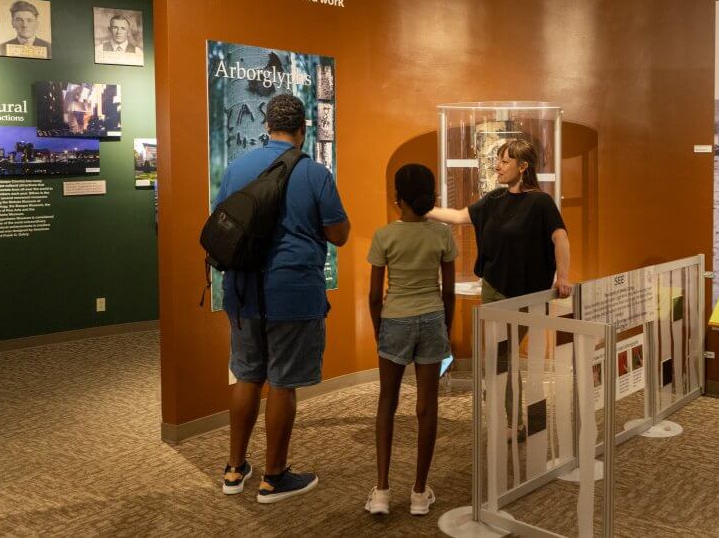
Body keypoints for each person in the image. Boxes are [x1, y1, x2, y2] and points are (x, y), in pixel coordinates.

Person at [212, 93, 350, 505]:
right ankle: (274, 477)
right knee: (284, 384)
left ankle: (235, 468)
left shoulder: (238, 167)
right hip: (293, 294)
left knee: (247, 374)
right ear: (303, 130)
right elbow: (339, 234)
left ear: (267, 126)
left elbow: (222, 221)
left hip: (241, 291)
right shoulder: (314, 173)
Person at [427, 138, 570, 436]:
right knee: (499, 355)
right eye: (498, 161)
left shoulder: (540, 202)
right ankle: (512, 418)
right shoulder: (493, 200)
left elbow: (560, 238)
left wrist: (563, 276)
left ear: (523, 166)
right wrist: (421, 208)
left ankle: (513, 420)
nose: (498, 167)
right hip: (494, 289)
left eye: (504, 161)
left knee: (503, 356)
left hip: (528, 294)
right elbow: (456, 217)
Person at [365, 164, 456, 517]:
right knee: (427, 405)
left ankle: (383, 491)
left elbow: (375, 295)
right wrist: (444, 327)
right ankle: (419, 492)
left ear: (396, 198)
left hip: (395, 320)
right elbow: (448, 291)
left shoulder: (384, 235)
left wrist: (379, 328)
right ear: (430, 196)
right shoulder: (442, 234)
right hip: (432, 319)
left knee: (387, 401)